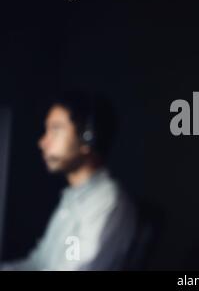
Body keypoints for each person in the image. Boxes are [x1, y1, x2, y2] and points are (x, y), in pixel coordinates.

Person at [1, 91, 136, 270]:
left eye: (55, 129)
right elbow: (39, 263)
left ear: (88, 137)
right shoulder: (73, 196)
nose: (43, 142)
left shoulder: (106, 201)